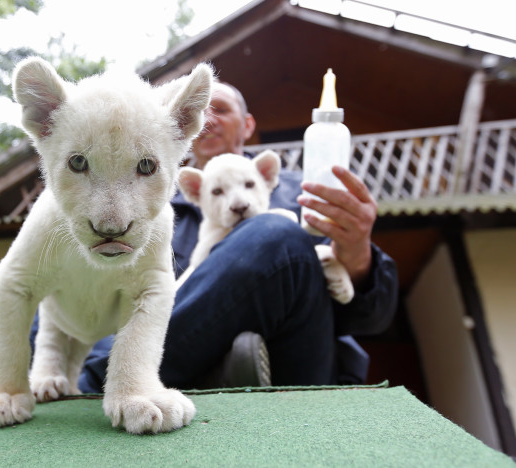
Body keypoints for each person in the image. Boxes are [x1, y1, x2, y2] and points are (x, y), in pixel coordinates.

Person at [71, 80, 398, 392]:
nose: (208, 119)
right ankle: (116, 370)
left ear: (248, 125)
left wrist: (356, 253)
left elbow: (372, 318)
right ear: (178, 129)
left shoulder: (306, 192)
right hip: (176, 371)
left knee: (277, 231)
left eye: (222, 109)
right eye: (195, 112)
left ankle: (100, 380)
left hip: (296, 363)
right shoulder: (146, 211)